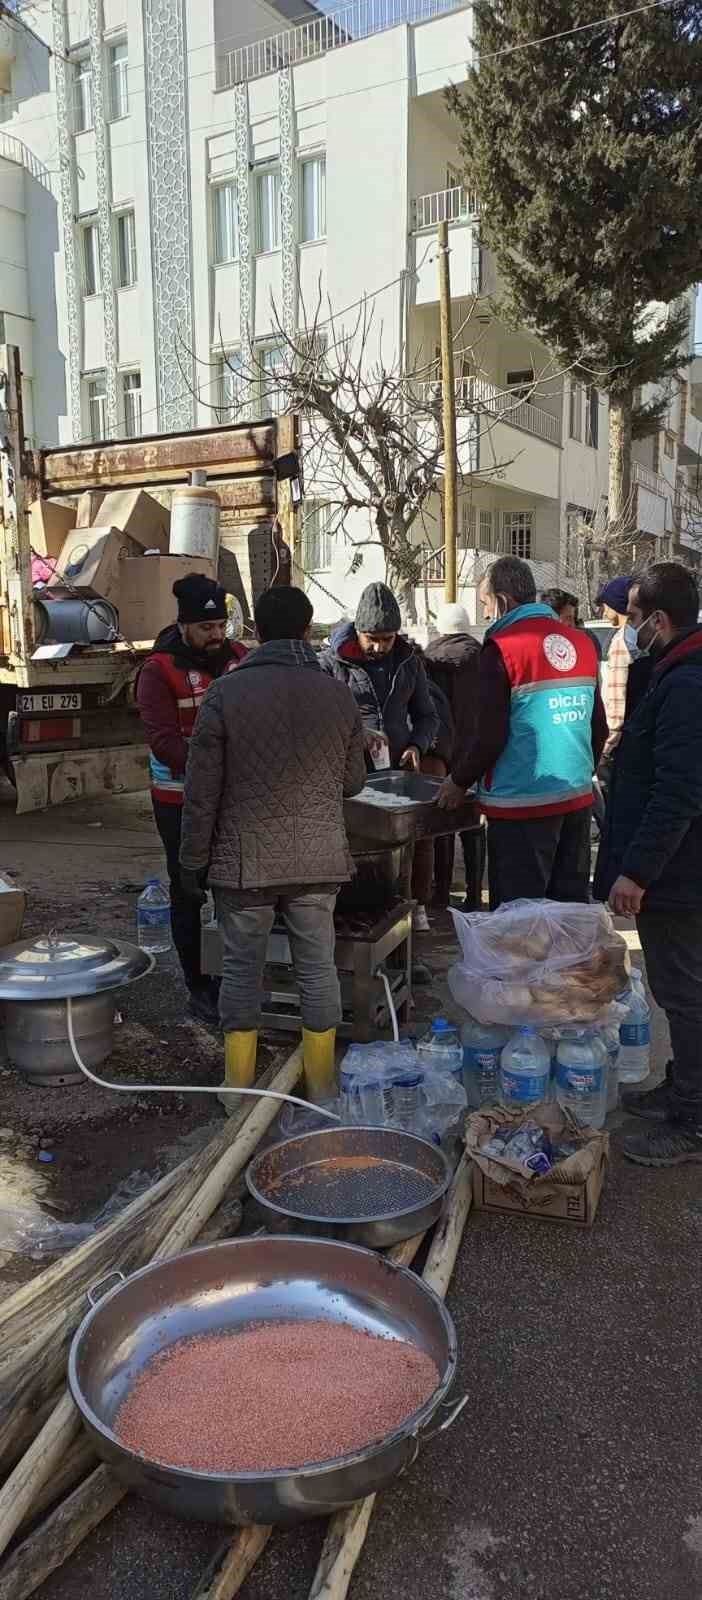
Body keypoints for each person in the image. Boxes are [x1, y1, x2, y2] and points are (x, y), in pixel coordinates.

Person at [179, 585, 366, 1106]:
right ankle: (322, 1084)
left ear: (256, 632)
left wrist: (192, 861)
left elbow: (201, 792)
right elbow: (352, 783)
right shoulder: (338, 692)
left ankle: (237, 1089)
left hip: (244, 863)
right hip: (318, 856)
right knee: (317, 968)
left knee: (242, 970)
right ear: (308, 631)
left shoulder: (224, 693)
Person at [594, 562, 702, 1168]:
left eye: (633, 618)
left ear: (659, 620)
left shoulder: (687, 683)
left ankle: (695, 1117)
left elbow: (679, 791)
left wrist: (637, 871)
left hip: (680, 872)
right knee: (677, 988)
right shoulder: (671, 671)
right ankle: (682, 1087)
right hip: (677, 868)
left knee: (685, 993)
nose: (627, 630)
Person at [437, 556, 606, 907]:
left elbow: (489, 735)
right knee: (569, 913)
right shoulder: (582, 643)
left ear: (502, 600)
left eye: (485, 603)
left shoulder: (502, 649)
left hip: (521, 806)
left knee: (520, 922)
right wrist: (580, 770)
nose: (485, 615)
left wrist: (459, 781)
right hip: (575, 800)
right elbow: (597, 726)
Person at [136, 573, 247, 1023]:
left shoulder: (239, 659)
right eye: (206, 628)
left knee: (233, 889)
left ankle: (231, 977)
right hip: (178, 802)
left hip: (232, 800)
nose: (216, 635)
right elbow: (163, 740)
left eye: (220, 626)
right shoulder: (158, 670)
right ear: (184, 626)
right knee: (188, 889)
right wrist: (210, 773)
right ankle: (197, 985)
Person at [319, 582, 438, 929]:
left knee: (406, 844)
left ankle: (410, 905)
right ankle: (354, 913)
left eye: (387, 639)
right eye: (372, 638)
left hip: (398, 772)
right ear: (357, 631)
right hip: (351, 774)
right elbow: (322, 719)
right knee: (357, 845)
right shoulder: (330, 664)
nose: (379, 646)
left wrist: (418, 745)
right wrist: (356, 736)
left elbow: (428, 715)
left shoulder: (409, 663)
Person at [424, 602, 483, 910]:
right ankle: (475, 894)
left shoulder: (428, 659)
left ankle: (441, 892)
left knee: (443, 824)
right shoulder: (484, 657)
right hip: (477, 750)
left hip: (442, 751)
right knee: (474, 823)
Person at [597, 574, 634, 769]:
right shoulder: (639, 636)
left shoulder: (622, 641)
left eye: (605, 605)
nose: (603, 611)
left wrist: (606, 747)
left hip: (619, 746)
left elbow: (618, 702)